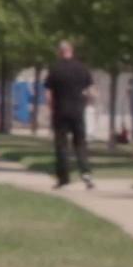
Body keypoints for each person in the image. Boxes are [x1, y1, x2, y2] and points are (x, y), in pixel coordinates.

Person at [45, 40, 96, 190]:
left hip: (60, 112)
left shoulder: (55, 69)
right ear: (71, 51)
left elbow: (48, 94)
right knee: (80, 143)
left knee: (61, 146)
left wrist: (51, 109)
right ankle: (86, 174)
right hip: (77, 112)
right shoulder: (82, 68)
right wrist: (86, 103)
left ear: (59, 52)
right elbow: (91, 90)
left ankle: (63, 178)